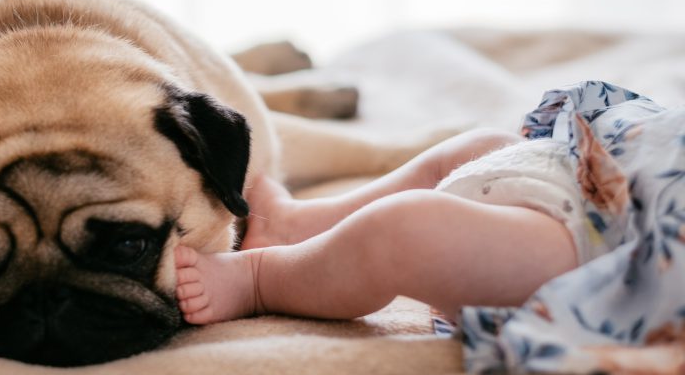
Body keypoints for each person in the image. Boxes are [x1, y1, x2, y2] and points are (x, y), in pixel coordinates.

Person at [174, 127, 584, 324]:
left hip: (611, 255)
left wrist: (255, 283)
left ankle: (259, 279)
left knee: (405, 231)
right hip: (604, 184)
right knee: (480, 151)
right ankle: (295, 225)